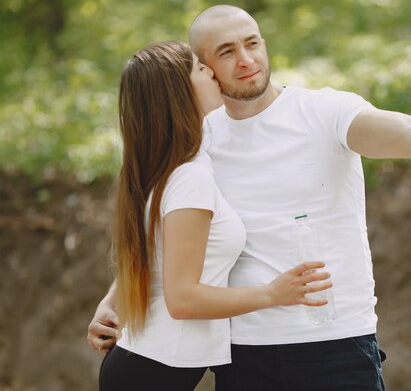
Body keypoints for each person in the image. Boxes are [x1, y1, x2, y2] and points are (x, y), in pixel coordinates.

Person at [88, 5, 411, 391]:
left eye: (252, 43)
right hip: (242, 355)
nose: (246, 60)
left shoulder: (324, 112)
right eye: (227, 52)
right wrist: (115, 299)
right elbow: (166, 236)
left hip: (336, 344)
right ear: (204, 68)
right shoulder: (197, 140)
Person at [96, 40, 332, 391]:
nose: (213, 72)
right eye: (200, 68)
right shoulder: (189, 176)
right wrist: (271, 294)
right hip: (152, 369)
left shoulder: (175, 165)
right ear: (179, 92)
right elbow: (182, 298)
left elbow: (158, 255)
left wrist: (109, 303)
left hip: (146, 364)